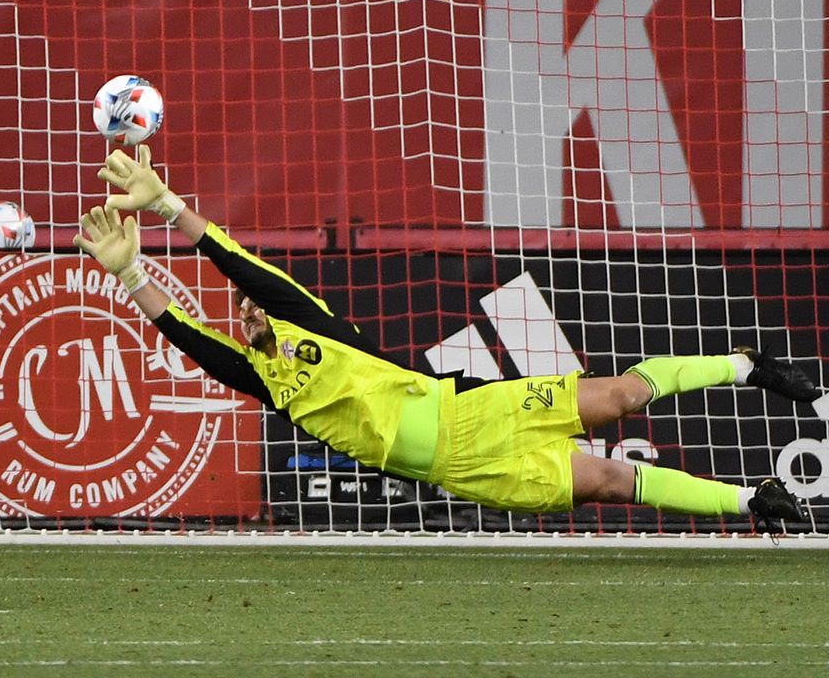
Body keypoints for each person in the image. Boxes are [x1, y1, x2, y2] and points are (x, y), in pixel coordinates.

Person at [75, 145, 814, 531]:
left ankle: (744, 366)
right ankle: (751, 500)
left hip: (474, 412)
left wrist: (170, 207)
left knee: (619, 397)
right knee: (612, 482)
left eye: (252, 311)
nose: (247, 315)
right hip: (468, 472)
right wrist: (132, 271)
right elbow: (186, 334)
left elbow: (246, 265)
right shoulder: (268, 385)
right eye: (240, 317)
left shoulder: (330, 337)